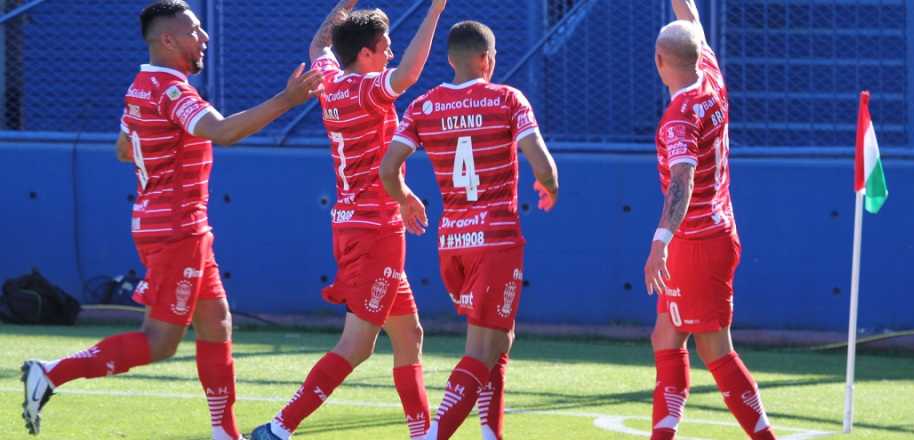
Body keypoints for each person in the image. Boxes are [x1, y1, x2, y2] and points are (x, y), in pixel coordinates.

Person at [19, 1, 323, 438]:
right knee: (160, 341)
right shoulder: (170, 90)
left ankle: (225, 432)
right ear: (167, 40)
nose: (204, 37)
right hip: (176, 228)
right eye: (194, 31)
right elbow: (222, 132)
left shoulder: (140, 85)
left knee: (217, 322)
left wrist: (163, 156)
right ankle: (49, 373)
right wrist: (288, 99)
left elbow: (125, 148)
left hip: (175, 224)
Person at [249, 1, 446, 439]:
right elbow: (409, 75)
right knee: (357, 346)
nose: (391, 54)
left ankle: (422, 434)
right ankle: (278, 429)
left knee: (409, 335)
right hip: (375, 230)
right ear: (366, 55)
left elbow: (320, 41)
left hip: (362, 224)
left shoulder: (333, 79)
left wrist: (346, 5)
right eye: (386, 47)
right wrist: (434, 12)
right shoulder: (364, 89)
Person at [379, 20, 559, 440]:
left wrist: (405, 199)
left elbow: (388, 169)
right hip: (495, 240)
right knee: (482, 348)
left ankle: (490, 433)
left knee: (499, 339)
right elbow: (544, 166)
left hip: (452, 244)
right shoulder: (508, 100)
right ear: (487, 59)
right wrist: (549, 187)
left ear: (449, 59)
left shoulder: (423, 106)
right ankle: (433, 434)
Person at [642, 1, 777, 439]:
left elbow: (681, 181)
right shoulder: (712, 77)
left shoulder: (678, 118)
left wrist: (660, 240)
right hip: (711, 230)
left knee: (715, 347)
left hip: (696, 239)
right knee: (666, 336)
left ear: (660, 62)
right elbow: (693, 23)